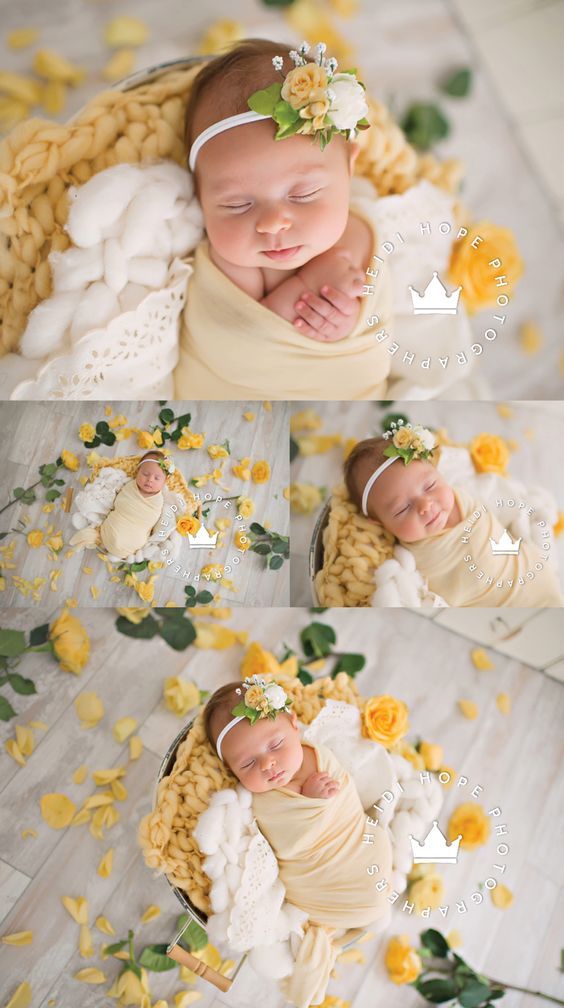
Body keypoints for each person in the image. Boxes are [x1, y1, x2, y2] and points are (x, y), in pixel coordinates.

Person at [343, 422, 564, 606]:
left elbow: (481, 479)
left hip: (533, 576)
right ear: (379, 522)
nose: (426, 505)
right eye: (402, 508)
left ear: (438, 473)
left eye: (430, 486)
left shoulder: (465, 494)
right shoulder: (405, 560)